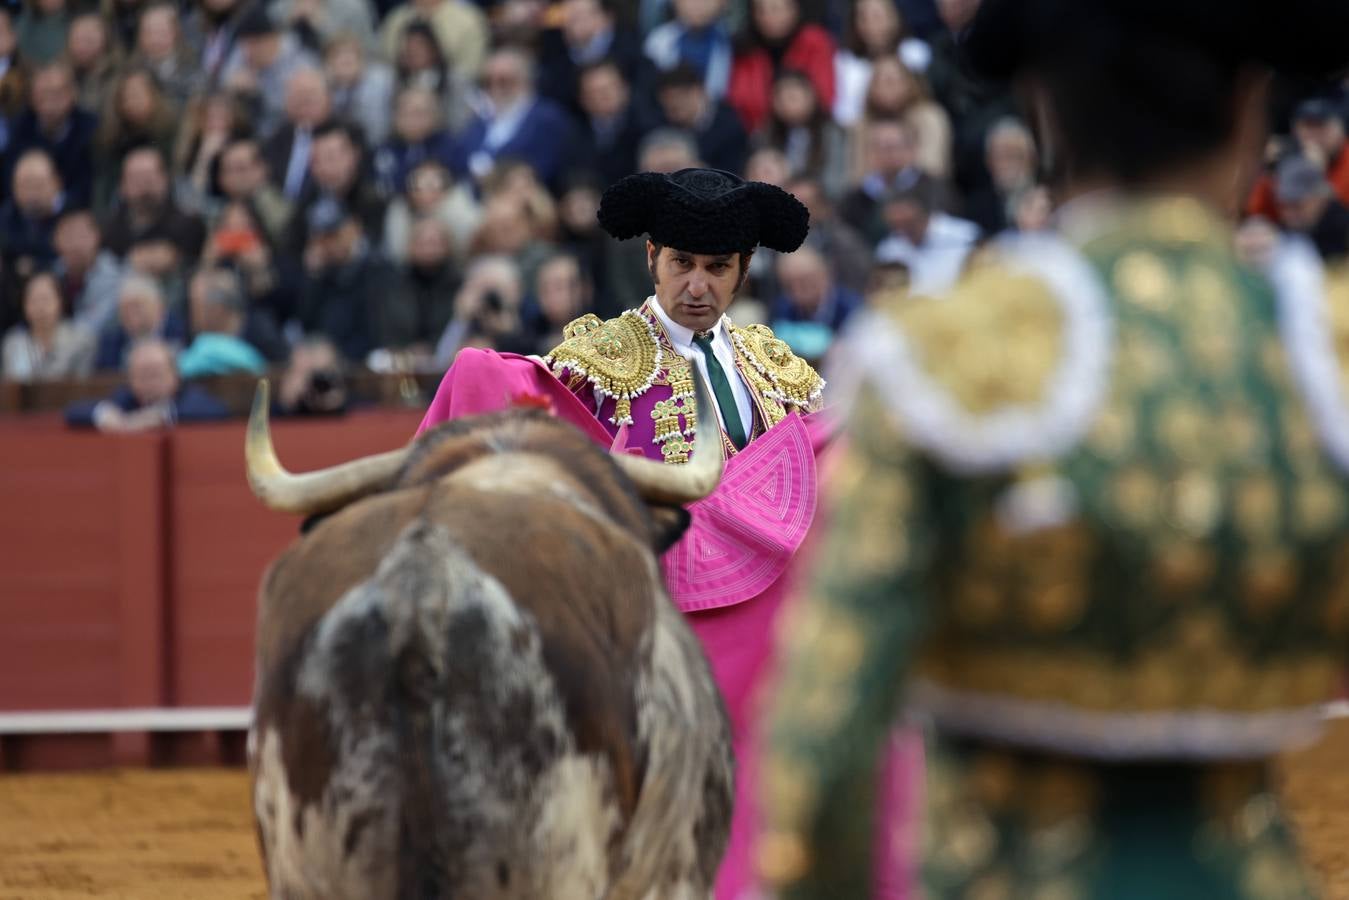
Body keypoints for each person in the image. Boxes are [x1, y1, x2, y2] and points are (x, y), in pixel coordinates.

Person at [756, 1, 1349, 898]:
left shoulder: (946, 354)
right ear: (1247, 110)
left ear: (1043, 112)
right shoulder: (1325, 356)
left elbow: (827, 746)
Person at [416, 166, 917, 900]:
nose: (697, 287)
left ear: (743, 270)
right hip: (646, 621)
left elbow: (821, 460)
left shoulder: (772, 365)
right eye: (682, 264)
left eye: (717, 269)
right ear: (651, 257)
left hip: (760, 633)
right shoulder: (597, 362)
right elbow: (532, 424)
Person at [65, 336, 229, 430]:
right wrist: (106, 415)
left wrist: (162, 416)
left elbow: (217, 410)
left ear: (175, 376)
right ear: (131, 380)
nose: (150, 383)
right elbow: (74, 411)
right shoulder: (126, 398)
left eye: (156, 375)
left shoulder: (187, 395)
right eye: (142, 376)